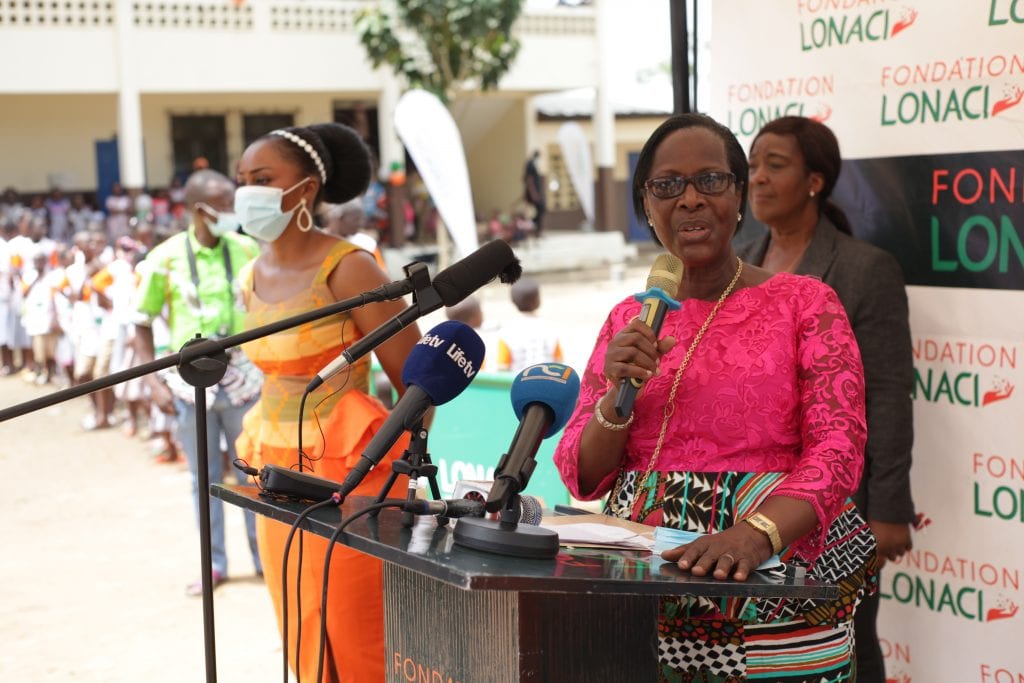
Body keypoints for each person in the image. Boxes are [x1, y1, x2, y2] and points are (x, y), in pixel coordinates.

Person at [552, 113, 875, 681]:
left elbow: (839, 450)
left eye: (711, 180)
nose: (691, 200)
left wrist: (757, 534)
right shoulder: (629, 318)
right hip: (644, 588)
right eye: (668, 186)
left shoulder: (804, 303)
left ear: (739, 195)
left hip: (771, 586)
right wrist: (615, 399)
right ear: (647, 207)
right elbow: (582, 473)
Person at [232, 123, 424, 682]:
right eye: (243, 180)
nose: (248, 192)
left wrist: (398, 469)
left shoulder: (350, 267)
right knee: (298, 625)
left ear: (307, 188)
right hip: (271, 467)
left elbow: (418, 377)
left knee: (353, 632)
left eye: (263, 179)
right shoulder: (249, 274)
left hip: (347, 473)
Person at [738, 115, 915, 683]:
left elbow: (888, 394)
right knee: (759, 644)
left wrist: (886, 509)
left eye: (776, 165)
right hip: (740, 498)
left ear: (816, 181)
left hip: (838, 502)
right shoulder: (736, 261)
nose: (757, 178)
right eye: (753, 164)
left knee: (844, 638)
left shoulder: (865, 270)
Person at [133, 169, 264, 596]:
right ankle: (215, 564)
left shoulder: (246, 249)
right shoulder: (165, 257)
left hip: (242, 374)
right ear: (197, 210)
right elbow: (141, 321)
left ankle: (264, 559)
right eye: (223, 204)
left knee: (253, 474)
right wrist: (152, 379)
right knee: (203, 479)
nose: (231, 212)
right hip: (189, 382)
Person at [495, 277, 563, 374]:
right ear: (538, 300)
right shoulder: (550, 329)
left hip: (519, 385)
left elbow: (503, 368)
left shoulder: (506, 333)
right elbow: (559, 361)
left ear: (513, 301)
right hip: (548, 382)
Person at [522, 149, 546, 237]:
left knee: (541, 209)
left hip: (536, 192)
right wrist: (534, 194)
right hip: (533, 193)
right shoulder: (530, 164)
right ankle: (532, 226)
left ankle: (535, 228)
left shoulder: (534, 164)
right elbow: (529, 179)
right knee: (540, 208)